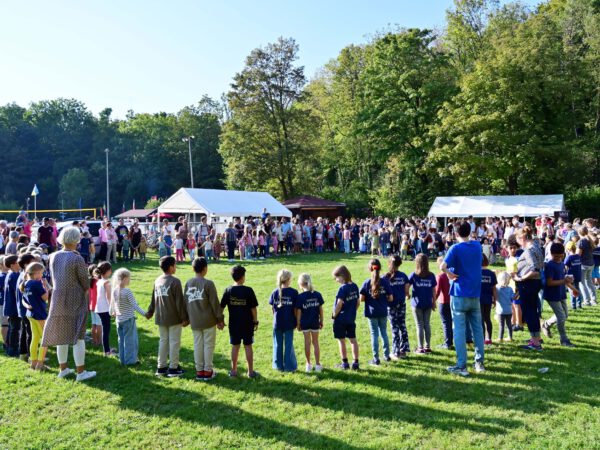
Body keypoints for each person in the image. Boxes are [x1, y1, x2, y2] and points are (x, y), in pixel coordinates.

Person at [41, 227, 96, 381]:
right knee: (78, 335)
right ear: (76, 239)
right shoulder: (76, 258)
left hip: (57, 297)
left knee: (61, 334)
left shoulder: (53, 256)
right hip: (75, 297)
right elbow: (85, 282)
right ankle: (80, 372)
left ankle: (63, 369)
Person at [441, 220, 485, 377]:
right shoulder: (477, 246)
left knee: (459, 330)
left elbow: (442, 266)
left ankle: (461, 365)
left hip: (459, 293)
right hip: (475, 293)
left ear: (456, 233)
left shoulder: (455, 248)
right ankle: (479, 362)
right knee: (477, 329)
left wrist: (449, 274)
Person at [147, 256, 189, 377]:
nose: (176, 267)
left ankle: (161, 367)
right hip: (174, 318)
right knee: (174, 342)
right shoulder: (175, 281)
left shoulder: (157, 280)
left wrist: (150, 312)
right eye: (175, 265)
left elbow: (153, 299)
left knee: (163, 341)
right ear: (171, 267)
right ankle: (173, 368)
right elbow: (179, 302)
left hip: (161, 317)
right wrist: (184, 318)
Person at [185, 257, 225, 381]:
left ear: (193, 269)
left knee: (197, 345)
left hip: (195, 320)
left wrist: (186, 318)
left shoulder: (188, 283)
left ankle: (199, 371)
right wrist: (220, 319)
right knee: (208, 345)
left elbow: (185, 303)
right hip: (208, 321)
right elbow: (215, 303)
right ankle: (208, 371)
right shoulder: (208, 284)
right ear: (205, 269)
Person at [220, 265, 259, 378]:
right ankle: (250, 372)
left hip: (234, 324)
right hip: (247, 324)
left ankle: (233, 371)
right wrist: (255, 321)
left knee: (235, 346)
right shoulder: (248, 290)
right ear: (242, 277)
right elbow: (253, 309)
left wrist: (220, 320)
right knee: (248, 346)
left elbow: (221, 308)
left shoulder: (228, 290)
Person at [512, 226, 545, 351]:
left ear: (523, 238)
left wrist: (520, 278)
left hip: (528, 284)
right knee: (533, 311)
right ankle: (536, 338)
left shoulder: (529, 251)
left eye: (517, 239)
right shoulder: (537, 247)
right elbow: (540, 266)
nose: (517, 242)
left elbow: (535, 270)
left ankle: (535, 343)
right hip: (534, 284)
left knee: (529, 312)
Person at [541, 242, 578, 347]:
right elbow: (549, 282)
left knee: (565, 315)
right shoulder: (550, 265)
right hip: (552, 295)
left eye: (560, 256)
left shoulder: (562, 264)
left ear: (563, 254)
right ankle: (564, 339)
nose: (558, 258)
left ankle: (546, 324)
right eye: (556, 256)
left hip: (561, 293)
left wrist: (574, 289)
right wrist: (564, 280)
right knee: (561, 317)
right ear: (551, 254)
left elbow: (564, 280)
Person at [110, 268, 147, 365]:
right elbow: (135, 305)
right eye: (129, 278)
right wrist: (145, 314)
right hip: (128, 320)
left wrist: (112, 312)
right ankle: (131, 361)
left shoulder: (115, 290)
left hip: (119, 320)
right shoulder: (127, 291)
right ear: (125, 278)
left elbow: (112, 305)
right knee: (130, 341)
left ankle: (123, 360)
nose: (130, 280)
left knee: (121, 341)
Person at [359, 258, 392, 365]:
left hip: (372, 312)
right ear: (380, 268)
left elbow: (361, 299)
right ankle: (387, 356)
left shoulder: (367, 283)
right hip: (383, 311)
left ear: (370, 269)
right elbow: (391, 298)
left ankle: (376, 358)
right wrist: (383, 298)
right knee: (384, 333)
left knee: (374, 334)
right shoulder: (385, 282)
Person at [20, 262, 50, 370]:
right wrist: (46, 286)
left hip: (30, 314)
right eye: (41, 273)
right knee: (46, 339)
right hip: (39, 315)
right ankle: (40, 364)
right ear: (36, 273)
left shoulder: (26, 283)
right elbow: (45, 298)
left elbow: (24, 299)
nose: (42, 275)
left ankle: (33, 362)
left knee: (35, 337)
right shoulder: (37, 283)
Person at [269, 269, 298, 372]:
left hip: (277, 322)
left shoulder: (274, 292)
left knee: (277, 344)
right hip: (289, 322)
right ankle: (289, 366)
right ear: (289, 279)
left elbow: (273, 309)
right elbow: (295, 310)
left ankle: (278, 365)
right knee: (289, 344)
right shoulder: (294, 292)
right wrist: (296, 322)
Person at [332, 265, 360, 370]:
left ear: (342, 276)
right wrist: (352, 312)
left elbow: (339, 304)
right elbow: (358, 302)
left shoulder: (342, 288)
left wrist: (334, 315)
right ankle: (356, 363)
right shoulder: (355, 286)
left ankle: (345, 363)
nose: (336, 280)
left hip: (341, 320)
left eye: (336, 277)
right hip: (351, 319)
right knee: (353, 340)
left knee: (341, 340)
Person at [408, 254, 437, 354]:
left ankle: (420, 347)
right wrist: (434, 302)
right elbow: (434, 291)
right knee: (427, 324)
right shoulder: (431, 275)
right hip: (428, 303)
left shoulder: (414, 275)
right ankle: (427, 346)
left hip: (417, 304)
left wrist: (407, 294)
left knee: (420, 325)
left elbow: (406, 285)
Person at [295, 273, 324, 372]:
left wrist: (298, 323)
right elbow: (321, 309)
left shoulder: (300, 297)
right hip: (315, 322)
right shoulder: (317, 294)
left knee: (307, 343)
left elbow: (298, 312)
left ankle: (308, 364)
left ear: (300, 284)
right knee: (315, 343)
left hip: (305, 323)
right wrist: (322, 320)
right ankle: (318, 365)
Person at [383, 255, 411, 359]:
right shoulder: (403, 276)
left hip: (390, 306)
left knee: (394, 327)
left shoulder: (385, 277)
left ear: (389, 264)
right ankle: (404, 350)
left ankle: (396, 352)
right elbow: (407, 290)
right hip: (401, 304)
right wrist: (407, 294)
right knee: (402, 325)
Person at [95, 262, 116, 357]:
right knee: (106, 329)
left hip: (99, 308)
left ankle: (107, 348)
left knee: (105, 328)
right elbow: (109, 297)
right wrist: (112, 309)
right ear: (107, 271)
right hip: (104, 309)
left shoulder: (99, 281)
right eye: (110, 269)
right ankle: (107, 351)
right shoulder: (106, 282)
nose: (111, 271)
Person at [3, 255, 21, 357]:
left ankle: (9, 346)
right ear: (12, 265)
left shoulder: (12, 274)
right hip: (13, 307)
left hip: (11, 306)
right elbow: (16, 291)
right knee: (15, 328)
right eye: (17, 262)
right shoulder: (13, 276)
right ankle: (12, 349)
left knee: (12, 327)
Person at [435, 256, 453, 350]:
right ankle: (452, 341)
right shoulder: (452, 274)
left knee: (446, 323)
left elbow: (437, 291)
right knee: (452, 322)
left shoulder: (440, 276)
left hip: (443, 301)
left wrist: (433, 301)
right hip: (452, 301)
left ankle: (448, 343)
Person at [480, 255, 497, 345]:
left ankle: (482, 339)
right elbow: (494, 288)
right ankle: (489, 339)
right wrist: (495, 299)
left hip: (478, 299)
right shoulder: (491, 273)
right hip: (488, 299)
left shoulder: (476, 273)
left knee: (481, 320)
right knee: (487, 319)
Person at [577, 227, 597, 306]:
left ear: (579, 233)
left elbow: (578, 254)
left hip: (583, 264)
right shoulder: (590, 240)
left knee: (582, 283)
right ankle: (594, 300)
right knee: (589, 282)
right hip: (591, 263)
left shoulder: (581, 241)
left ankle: (587, 301)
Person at [505, 242, 523, 331]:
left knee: (517, 304)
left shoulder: (517, 259)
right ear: (507, 248)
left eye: (514, 248)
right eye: (511, 248)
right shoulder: (507, 259)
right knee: (512, 304)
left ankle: (519, 324)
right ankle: (513, 321)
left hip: (516, 284)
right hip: (509, 284)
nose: (513, 250)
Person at [495, 272, 514, 342]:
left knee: (501, 325)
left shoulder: (497, 288)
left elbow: (494, 296)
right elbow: (513, 297)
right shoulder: (510, 289)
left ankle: (500, 338)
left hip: (500, 310)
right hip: (509, 310)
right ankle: (510, 337)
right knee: (509, 324)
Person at [565, 242, 582, 309]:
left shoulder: (569, 257)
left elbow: (565, 267)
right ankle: (579, 304)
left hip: (571, 276)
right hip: (578, 275)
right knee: (577, 289)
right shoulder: (578, 256)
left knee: (572, 290)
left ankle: (573, 305)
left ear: (568, 249)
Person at [88, 265, 102, 346]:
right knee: (99, 324)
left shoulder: (91, 281)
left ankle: (94, 340)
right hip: (99, 306)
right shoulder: (98, 282)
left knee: (94, 324)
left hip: (92, 305)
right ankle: (99, 341)